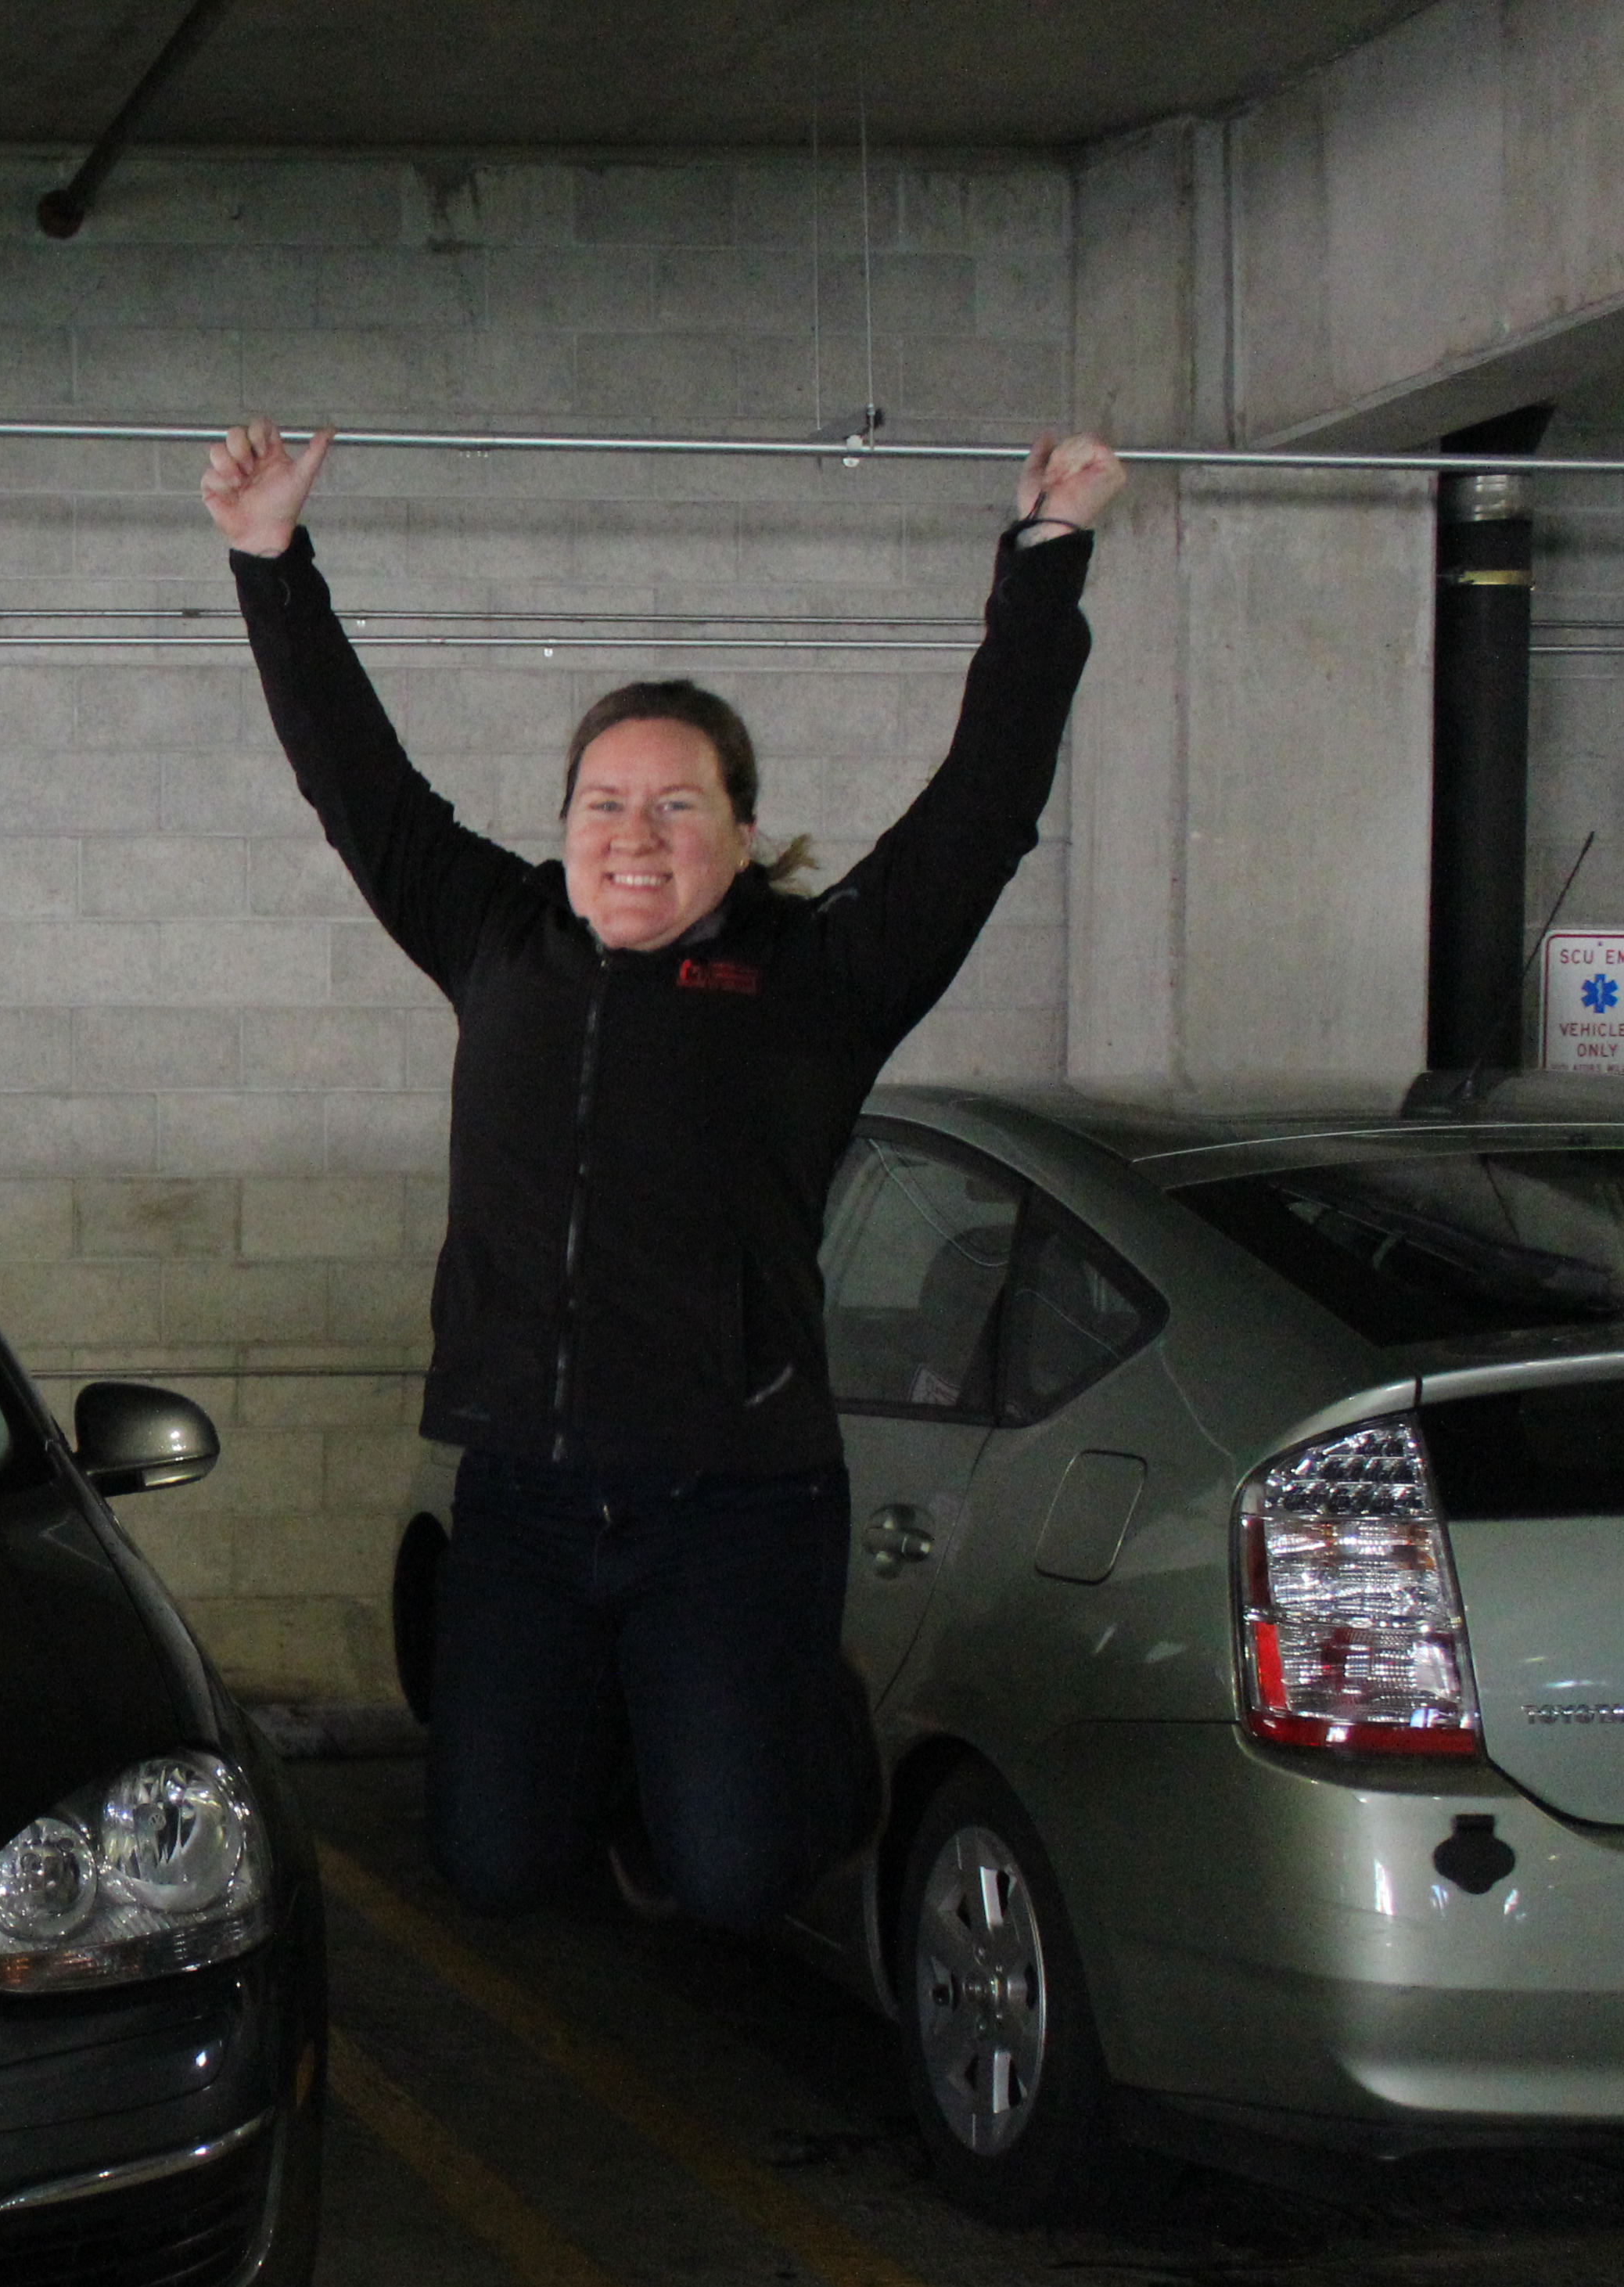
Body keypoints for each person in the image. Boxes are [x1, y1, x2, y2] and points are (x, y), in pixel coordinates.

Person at [203, 416, 1124, 1929]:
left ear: (743, 836)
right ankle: (667, 1740)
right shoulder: (495, 939)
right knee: (495, 1864)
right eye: (604, 804)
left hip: (735, 1501)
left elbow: (983, 811)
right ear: (563, 830)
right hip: (524, 1498)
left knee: (737, 1875)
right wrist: (270, 563)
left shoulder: (820, 981)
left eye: (677, 805)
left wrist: (1046, 561)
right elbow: (351, 776)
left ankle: (772, 1740)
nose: (635, 834)